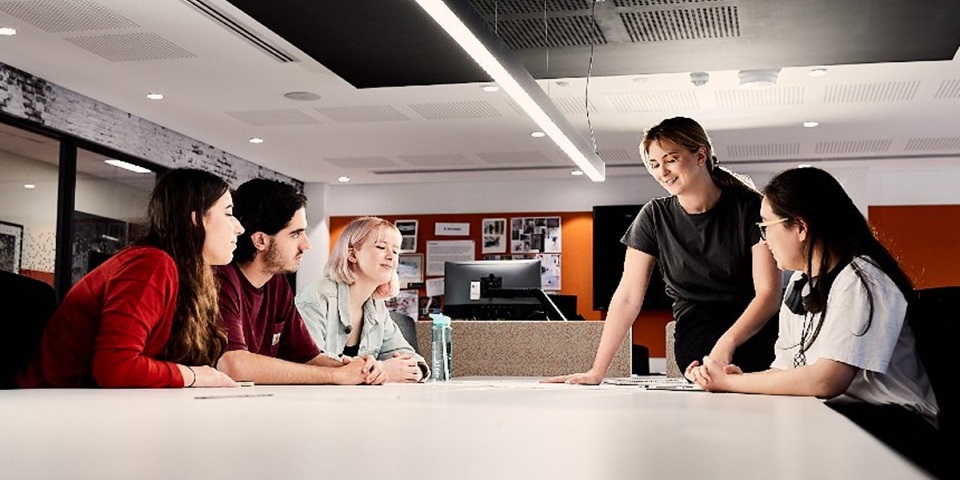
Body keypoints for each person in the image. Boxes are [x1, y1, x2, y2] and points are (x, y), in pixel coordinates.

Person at [689, 167, 940, 475]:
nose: (763, 239)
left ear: (800, 227)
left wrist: (731, 383)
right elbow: (787, 370)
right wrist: (740, 379)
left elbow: (827, 379)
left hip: (895, 423)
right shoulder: (799, 283)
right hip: (840, 414)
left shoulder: (862, 279)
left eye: (766, 226)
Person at [547, 116, 781, 384]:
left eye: (670, 159)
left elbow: (768, 294)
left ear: (701, 155)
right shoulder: (654, 217)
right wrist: (596, 372)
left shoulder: (752, 207)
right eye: (655, 164)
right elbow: (627, 298)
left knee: (744, 374)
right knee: (713, 376)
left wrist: (726, 345)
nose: (662, 172)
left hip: (755, 326)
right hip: (697, 331)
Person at [19, 168, 241, 388]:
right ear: (196, 219)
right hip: (53, 406)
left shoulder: (182, 272)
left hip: (91, 404)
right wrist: (193, 376)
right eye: (229, 213)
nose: (239, 228)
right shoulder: (151, 264)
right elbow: (116, 367)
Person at [215, 179, 384, 385]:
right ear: (260, 240)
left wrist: (358, 370)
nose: (306, 245)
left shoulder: (276, 282)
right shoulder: (221, 278)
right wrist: (335, 376)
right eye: (295, 234)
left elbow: (307, 356)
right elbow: (234, 365)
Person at [296, 216, 428, 383]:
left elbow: (409, 357)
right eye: (381, 247)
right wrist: (381, 369)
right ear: (352, 254)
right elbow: (308, 361)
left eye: (395, 251)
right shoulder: (317, 296)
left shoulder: (377, 307)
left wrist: (416, 370)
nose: (391, 257)